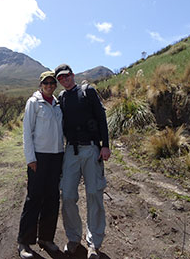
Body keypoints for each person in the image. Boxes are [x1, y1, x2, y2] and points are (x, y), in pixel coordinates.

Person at [55, 63, 111, 259]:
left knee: (94, 194)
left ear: (72, 75)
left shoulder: (88, 92)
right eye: (60, 78)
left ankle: (93, 243)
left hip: (92, 149)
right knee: (68, 194)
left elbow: (101, 117)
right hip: (71, 150)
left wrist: (105, 145)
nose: (65, 80)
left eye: (66, 76)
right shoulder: (61, 98)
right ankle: (73, 239)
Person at [17, 71, 64, 259]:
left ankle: (46, 238)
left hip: (56, 157)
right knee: (34, 198)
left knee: (52, 198)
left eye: (52, 82)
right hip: (39, 158)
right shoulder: (33, 103)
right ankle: (24, 242)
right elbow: (27, 133)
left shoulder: (58, 104)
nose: (50, 85)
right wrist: (31, 158)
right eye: (46, 82)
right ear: (40, 84)